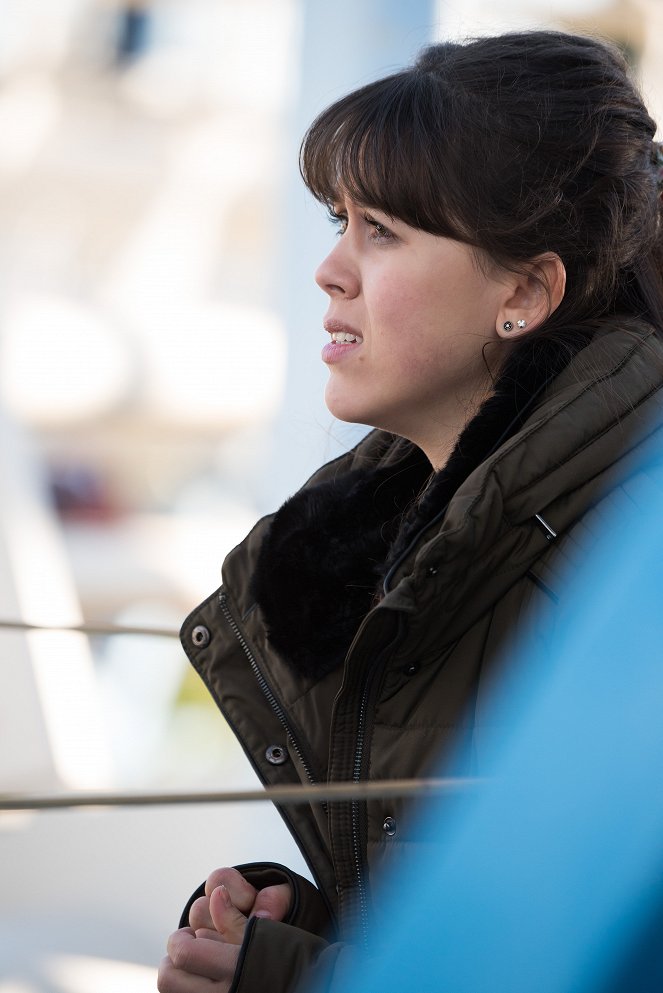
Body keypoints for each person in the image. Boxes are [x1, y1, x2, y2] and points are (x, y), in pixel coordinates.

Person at [157, 30, 663, 993]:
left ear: (523, 290)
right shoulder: (408, 534)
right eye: (338, 220)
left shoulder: (621, 554)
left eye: (380, 230)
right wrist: (301, 923)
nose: (330, 269)